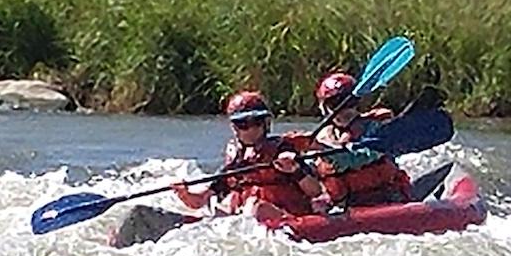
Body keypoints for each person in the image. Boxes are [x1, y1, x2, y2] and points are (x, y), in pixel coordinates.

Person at [171, 90, 325, 217]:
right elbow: (199, 201)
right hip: (249, 217)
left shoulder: (282, 149)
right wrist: (185, 194)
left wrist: (295, 171)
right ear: (235, 128)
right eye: (243, 124)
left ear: (266, 124)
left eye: (256, 123)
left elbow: (315, 190)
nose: (251, 130)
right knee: (227, 203)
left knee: (254, 207)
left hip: (289, 216)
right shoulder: (237, 160)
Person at [310, 72, 412, 207]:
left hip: (384, 197)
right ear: (324, 108)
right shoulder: (322, 136)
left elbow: (360, 158)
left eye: (349, 102)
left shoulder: (376, 127)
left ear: (358, 103)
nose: (345, 109)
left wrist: (320, 148)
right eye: (336, 104)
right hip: (343, 203)